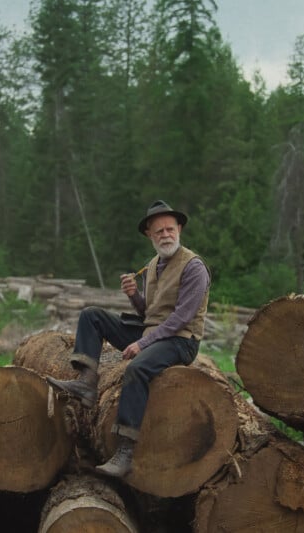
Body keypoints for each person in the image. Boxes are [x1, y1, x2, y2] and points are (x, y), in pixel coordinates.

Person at [46, 200, 210, 478]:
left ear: (179, 229)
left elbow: (181, 318)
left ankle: (125, 452)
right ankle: (87, 383)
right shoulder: (153, 265)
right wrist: (134, 295)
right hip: (154, 332)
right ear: (149, 235)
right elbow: (150, 312)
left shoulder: (194, 267)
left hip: (181, 339)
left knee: (137, 369)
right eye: (158, 232)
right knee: (92, 315)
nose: (165, 235)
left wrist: (142, 344)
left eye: (170, 229)